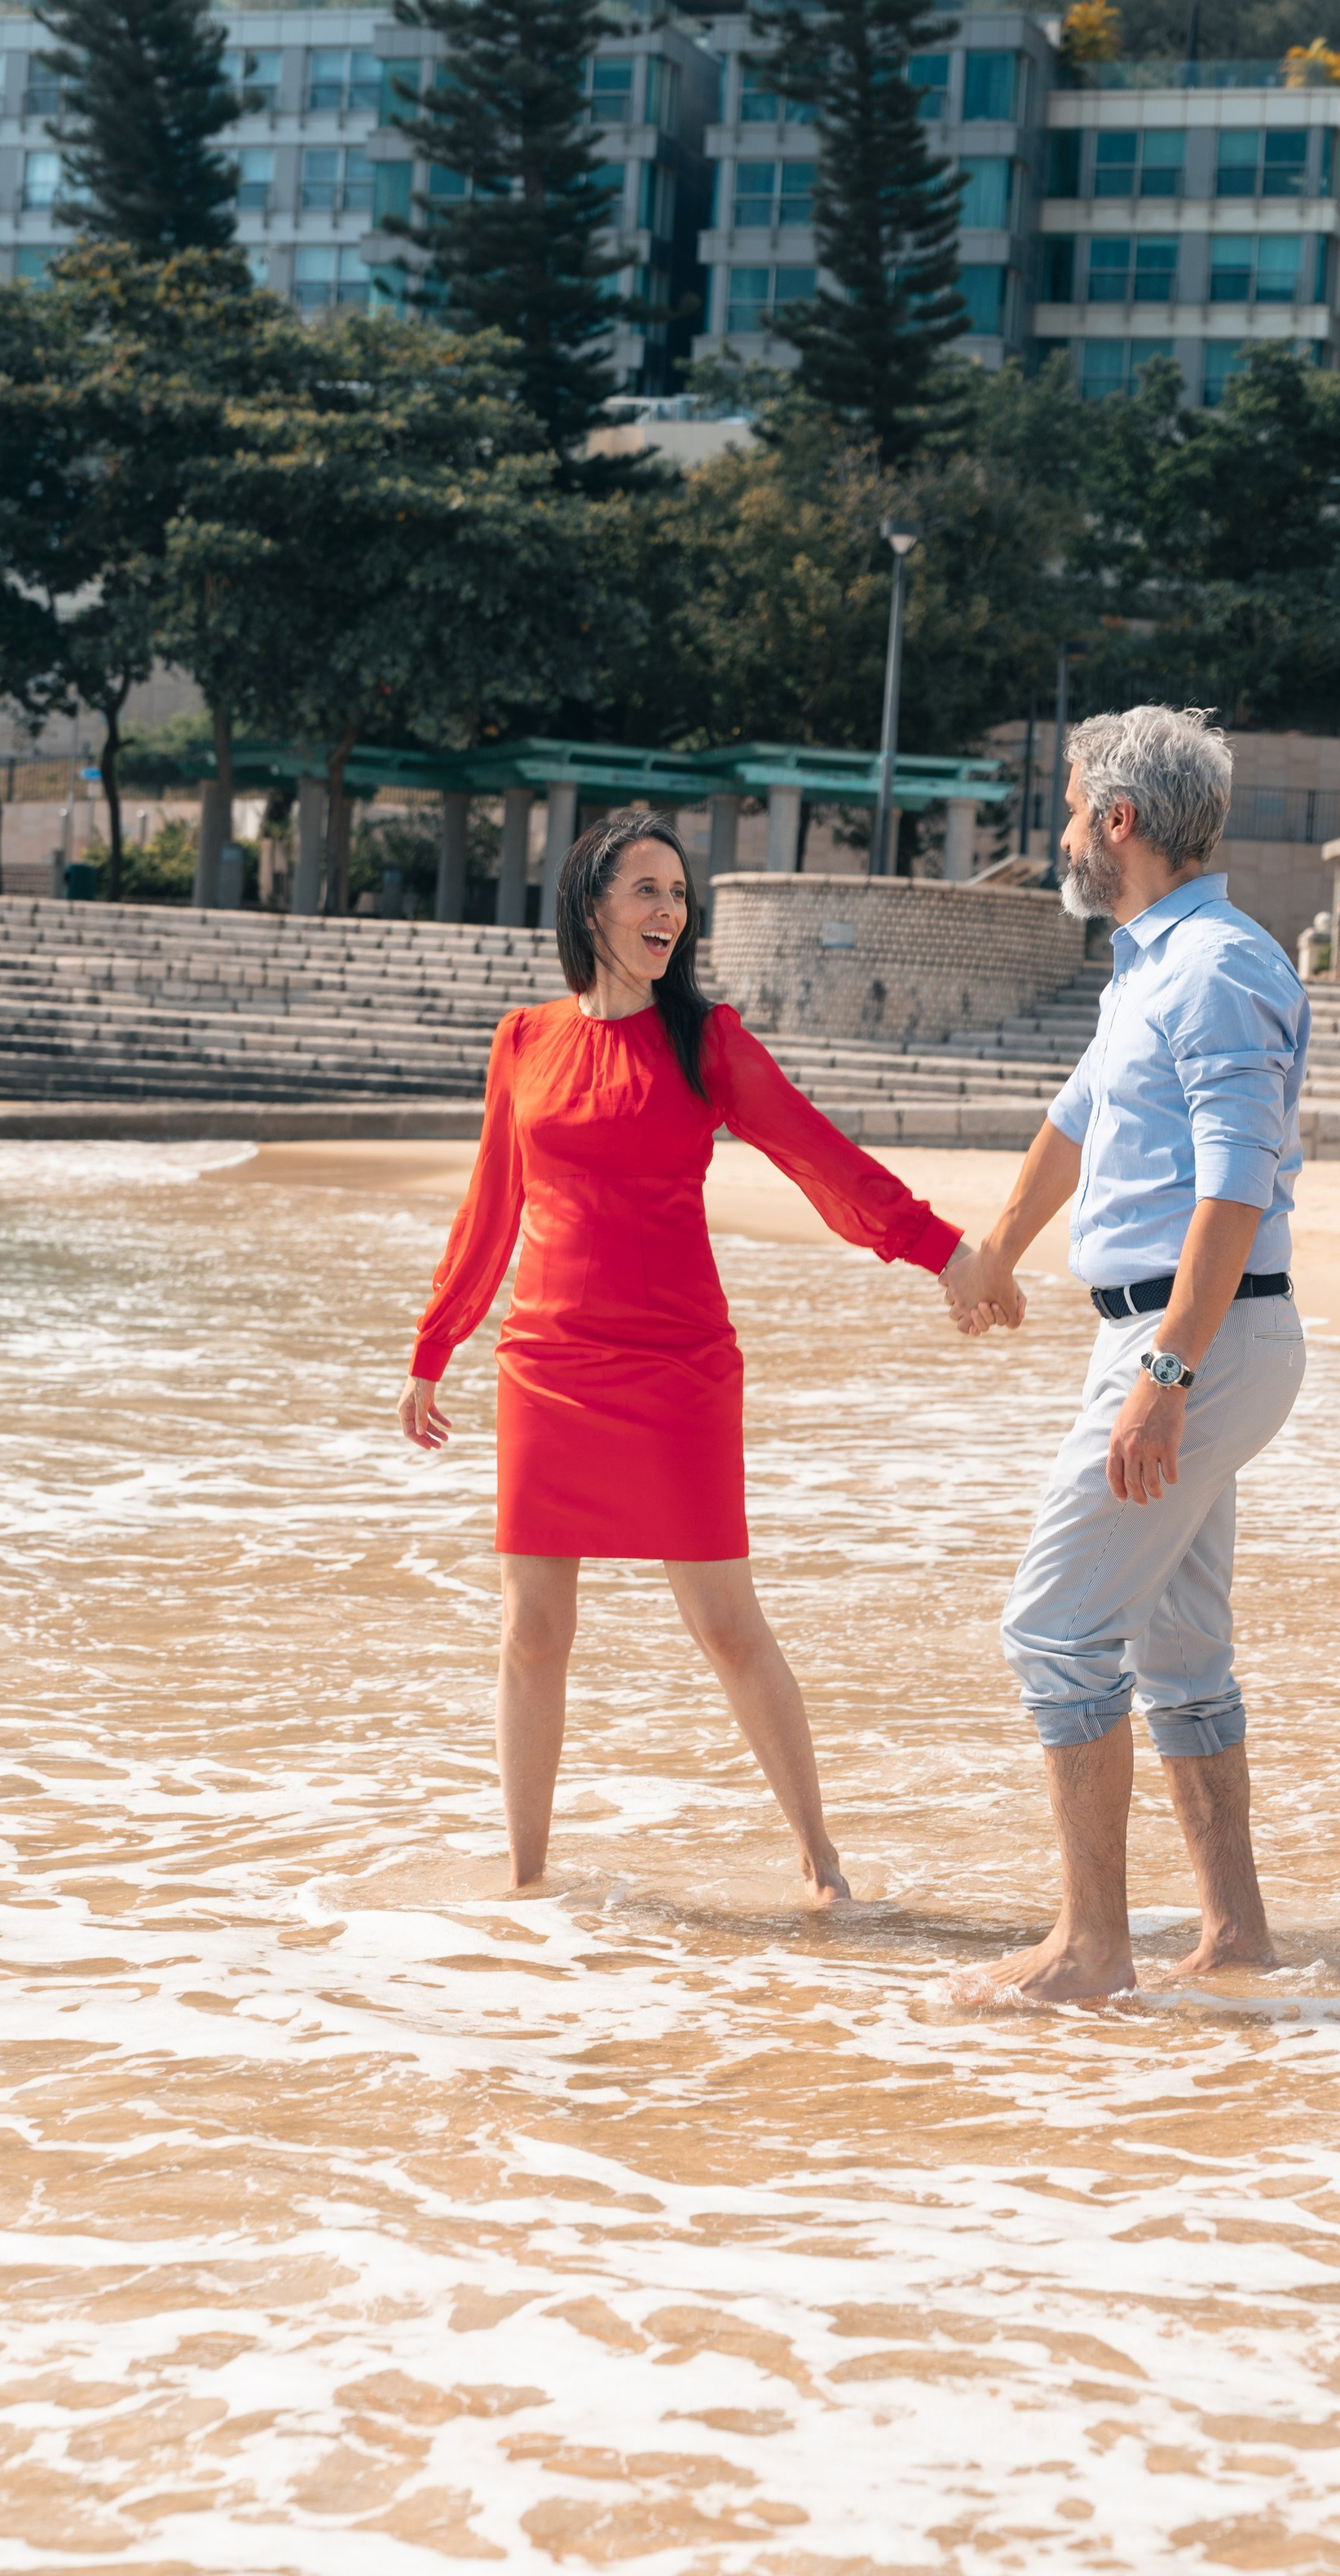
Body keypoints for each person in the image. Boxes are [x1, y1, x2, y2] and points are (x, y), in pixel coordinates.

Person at [398, 809, 990, 1906]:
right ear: (590, 906)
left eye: (679, 893)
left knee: (724, 1623)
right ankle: (526, 1883)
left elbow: (822, 1159)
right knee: (533, 1630)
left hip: (677, 1367)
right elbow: (493, 1205)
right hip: (548, 1362)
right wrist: (439, 1344)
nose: (670, 909)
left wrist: (941, 1250)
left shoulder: (706, 1041)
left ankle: (822, 1863)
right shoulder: (523, 1041)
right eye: (647, 889)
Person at [951, 706, 1311, 2004]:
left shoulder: (1217, 968)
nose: (1055, 833)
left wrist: (1164, 1378)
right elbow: (1077, 1118)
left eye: (1065, 809)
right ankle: (1236, 1938)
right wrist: (995, 1246)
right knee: (1178, 1651)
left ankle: (1090, 1948)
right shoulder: (1150, 965)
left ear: (1120, 822)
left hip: (1189, 1338)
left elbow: (1234, 1188)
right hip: (1191, 1335)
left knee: (1053, 1631)